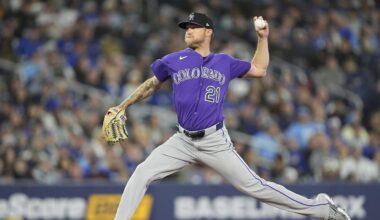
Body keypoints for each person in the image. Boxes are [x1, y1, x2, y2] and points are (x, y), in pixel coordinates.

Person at [112, 12, 350, 220]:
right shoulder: (174, 60)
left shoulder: (224, 62)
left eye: (193, 27)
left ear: (208, 32)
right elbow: (151, 84)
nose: (188, 30)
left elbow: (260, 69)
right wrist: (122, 106)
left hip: (214, 141)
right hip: (182, 140)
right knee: (142, 172)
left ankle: (319, 208)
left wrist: (263, 38)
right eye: (186, 27)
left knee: (256, 187)